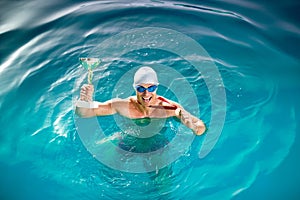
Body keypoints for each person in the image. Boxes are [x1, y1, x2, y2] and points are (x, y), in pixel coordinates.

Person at [75, 66, 206, 135]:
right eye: (141, 88)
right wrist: (84, 101)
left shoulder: (170, 108)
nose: (146, 93)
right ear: (135, 88)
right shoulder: (122, 105)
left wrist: (194, 127)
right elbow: (84, 113)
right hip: (128, 139)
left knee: (162, 181)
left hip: (156, 144)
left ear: (157, 87)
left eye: (151, 87)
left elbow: (200, 126)